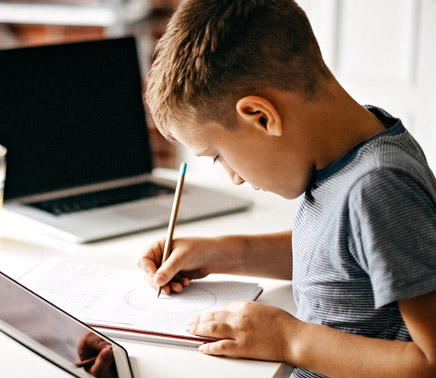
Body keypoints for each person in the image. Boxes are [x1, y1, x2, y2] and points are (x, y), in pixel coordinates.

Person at [137, 0, 436, 377]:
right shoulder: (347, 152)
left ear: (261, 117)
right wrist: (227, 253)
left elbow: (431, 360)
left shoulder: (378, 186)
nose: (235, 177)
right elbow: (343, 259)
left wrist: (288, 340)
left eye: (218, 156)